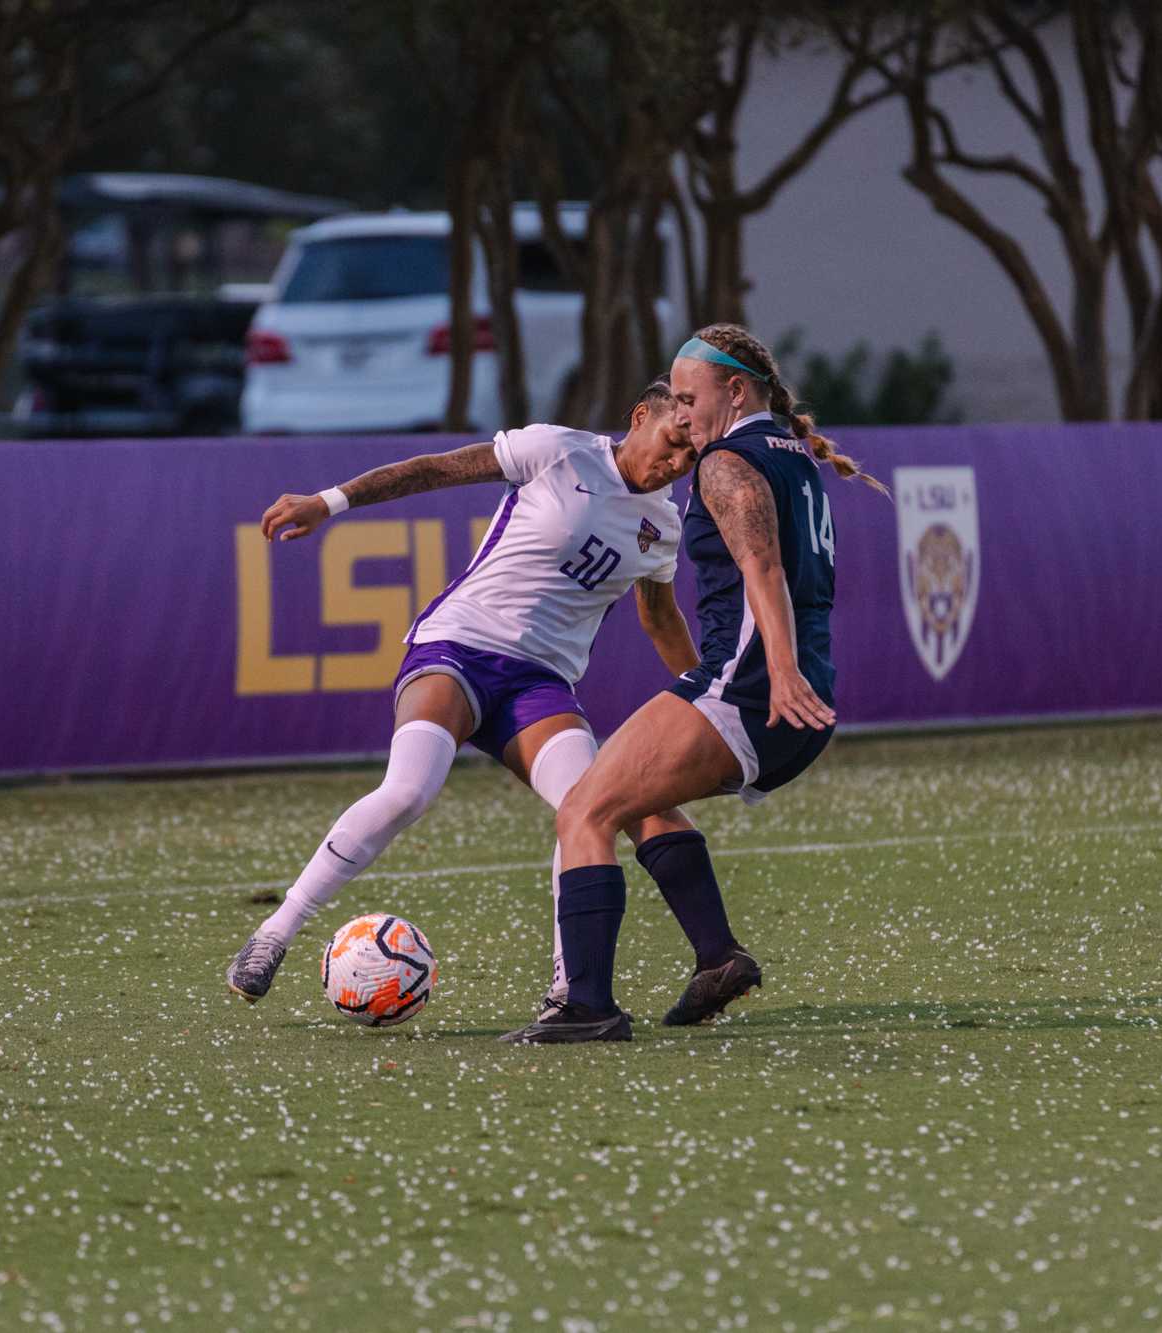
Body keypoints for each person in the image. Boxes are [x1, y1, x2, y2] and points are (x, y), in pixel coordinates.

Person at [226, 382, 707, 1005]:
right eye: (672, 441)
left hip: (539, 684)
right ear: (640, 416)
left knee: (587, 813)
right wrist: (330, 501)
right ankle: (275, 931)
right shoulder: (557, 451)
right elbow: (436, 469)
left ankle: (571, 992)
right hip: (458, 647)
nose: (674, 462)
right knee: (407, 791)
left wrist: (707, 693)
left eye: (690, 457)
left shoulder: (662, 524)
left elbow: (661, 620)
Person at [502, 323, 887, 1045]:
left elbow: (763, 570)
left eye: (688, 397)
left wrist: (777, 670)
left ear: (734, 391)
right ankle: (717, 956)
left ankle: (587, 1005)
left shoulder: (724, 461)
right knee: (634, 800)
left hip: (750, 690)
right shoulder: (795, 456)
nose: (680, 414)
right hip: (786, 695)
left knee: (584, 809)